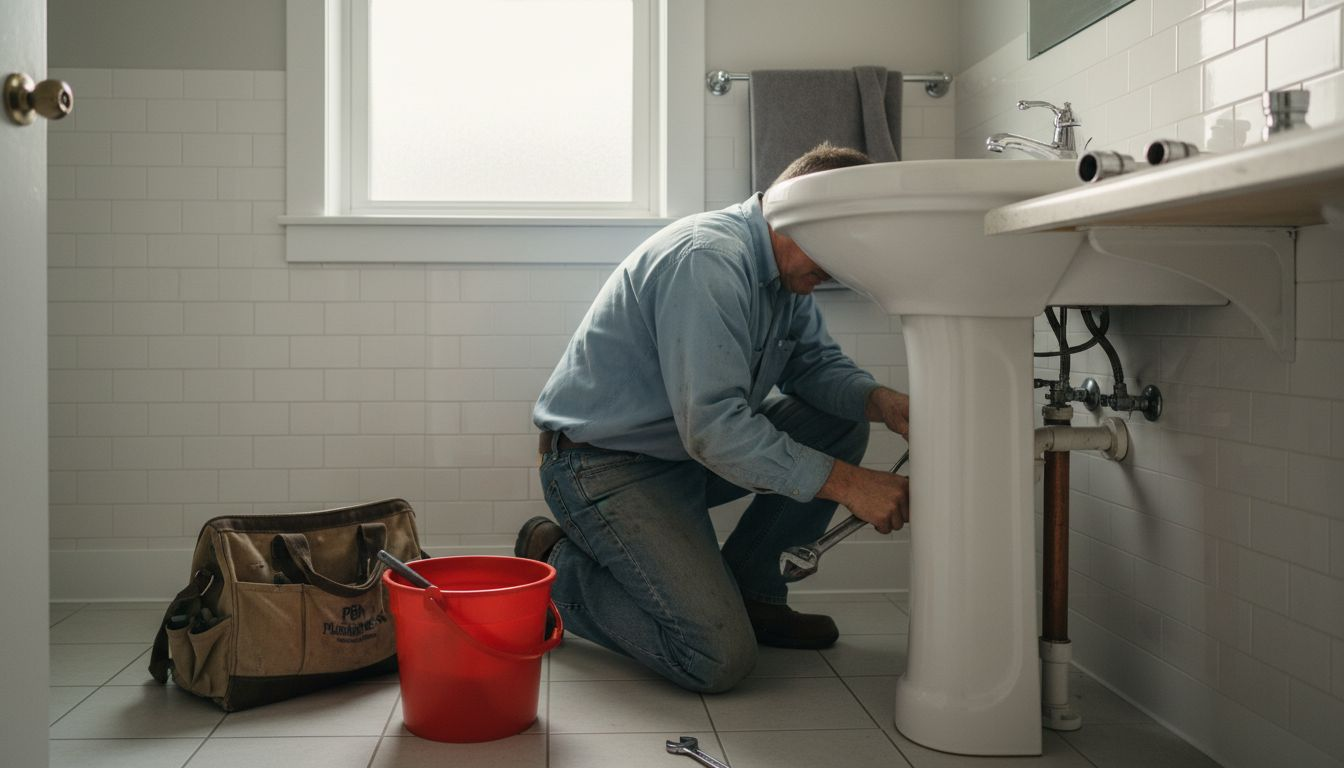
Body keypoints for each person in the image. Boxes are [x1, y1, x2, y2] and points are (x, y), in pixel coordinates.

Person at [520, 142, 911, 693]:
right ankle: (555, 569)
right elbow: (716, 430)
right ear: (807, 220)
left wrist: (883, 403)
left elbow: (813, 367)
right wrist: (851, 485)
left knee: (841, 419)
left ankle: (755, 596)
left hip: (681, 455)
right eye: (851, 243)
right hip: (603, 467)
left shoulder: (782, 275)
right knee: (715, 658)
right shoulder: (708, 260)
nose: (851, 264)